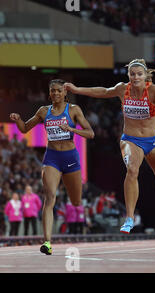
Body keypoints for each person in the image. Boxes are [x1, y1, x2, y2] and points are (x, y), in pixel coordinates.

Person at [64, 59, 155, 234]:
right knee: (132, 170)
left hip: (154, 141)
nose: (135, 77)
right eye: (132, 74)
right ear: (128, 75)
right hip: (131, 140)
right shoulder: (122, 89)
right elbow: (103, 91)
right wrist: (76, 89)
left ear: (145, 76)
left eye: (139, 74)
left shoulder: (154, 90)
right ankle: (129, 218)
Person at [10, 79, 94, 254]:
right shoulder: (43, 111)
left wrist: (72, 130)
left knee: (76, 201)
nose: (55, 94)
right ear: (49, 93)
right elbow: (25, 128)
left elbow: (90, 133)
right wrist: (18, 120)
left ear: (65, 93)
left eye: (58, 91)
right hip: (52, 158)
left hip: (70, 157)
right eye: (52, 91)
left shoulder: (73, 110)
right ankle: (47, 242)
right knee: (49, 198)